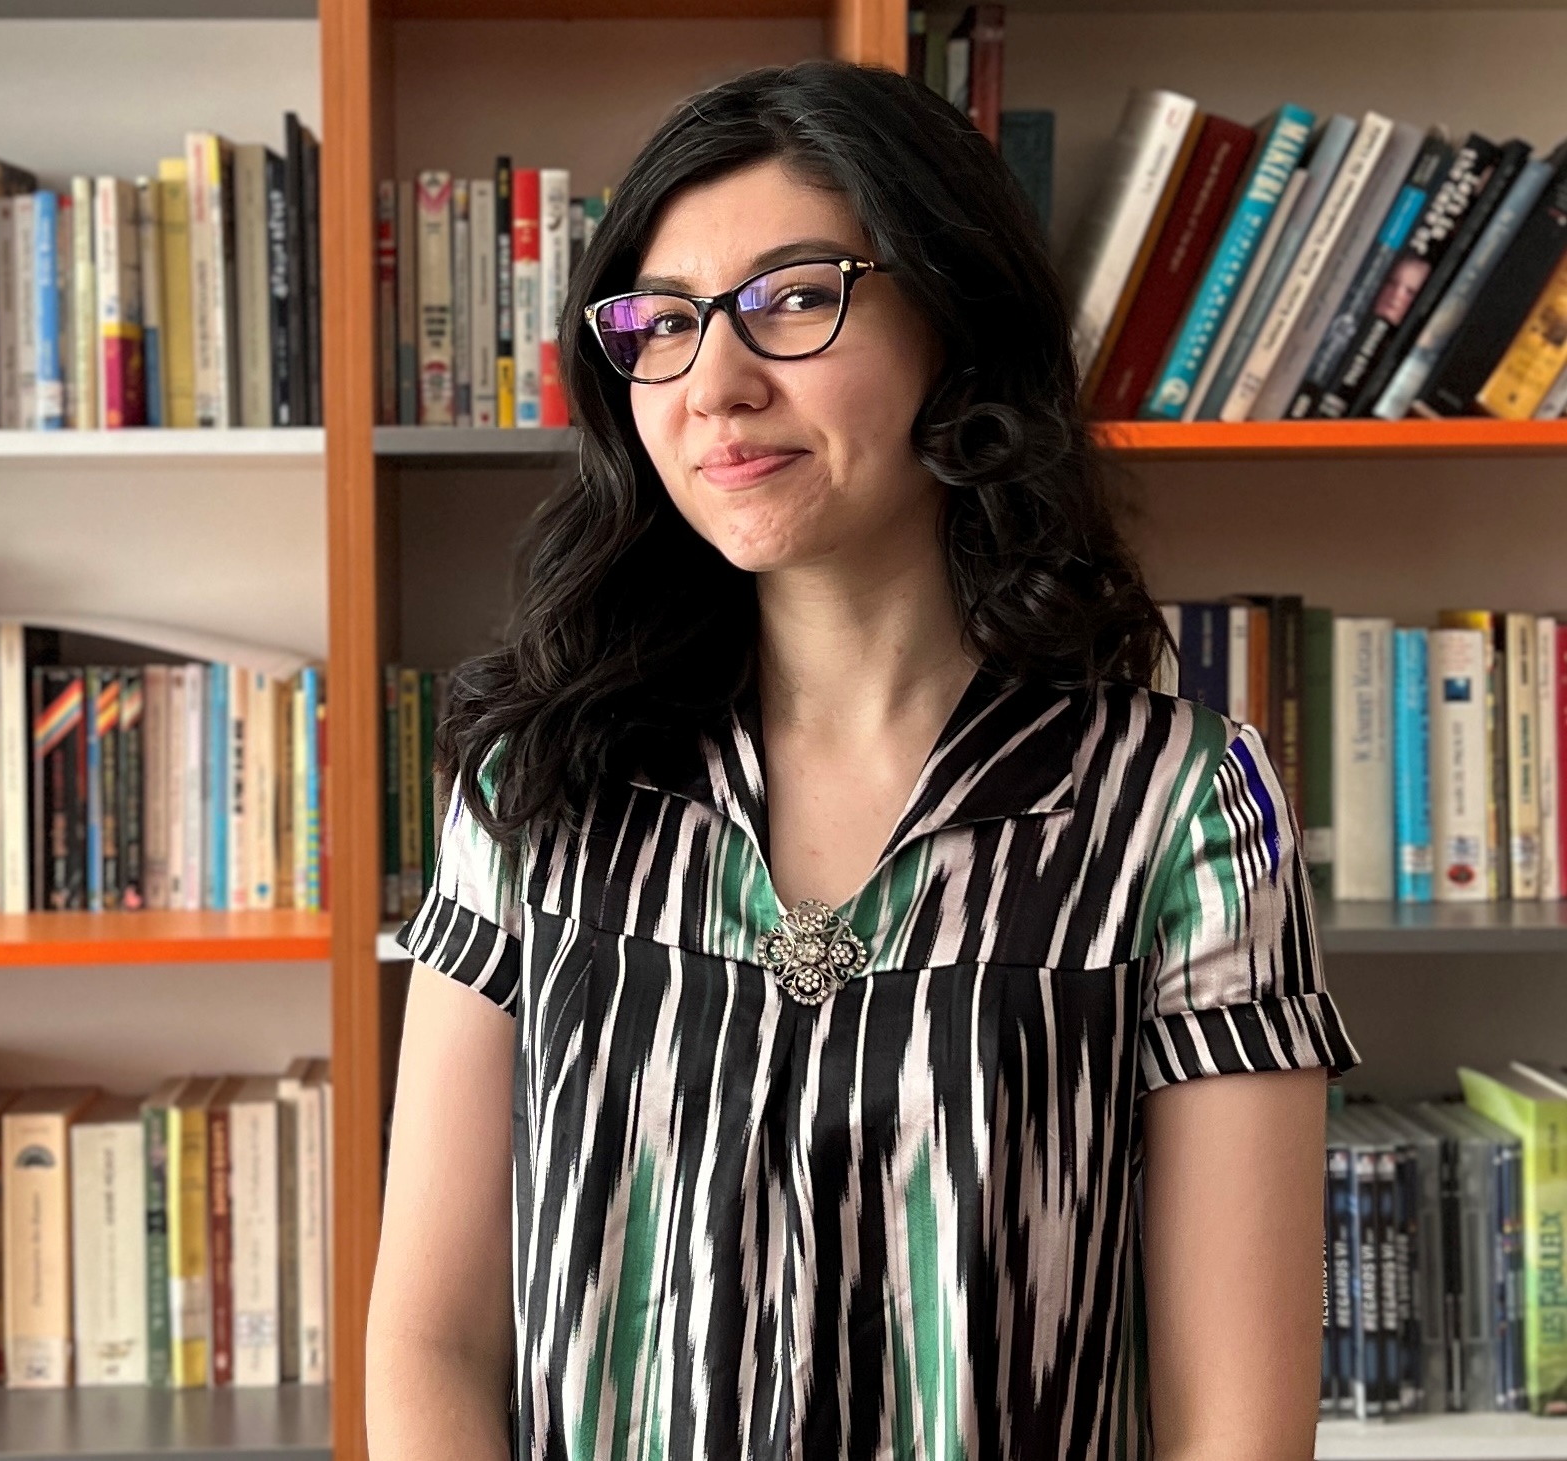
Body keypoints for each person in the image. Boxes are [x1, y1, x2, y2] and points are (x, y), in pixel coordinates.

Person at [367, 59, 1356, 1460]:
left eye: (792, 298)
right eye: (664, 322)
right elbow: (431, 1343)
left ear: (956, 323)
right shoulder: (533, 784)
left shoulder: (1185, 813)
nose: (716, 385)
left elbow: (1236, 1428)